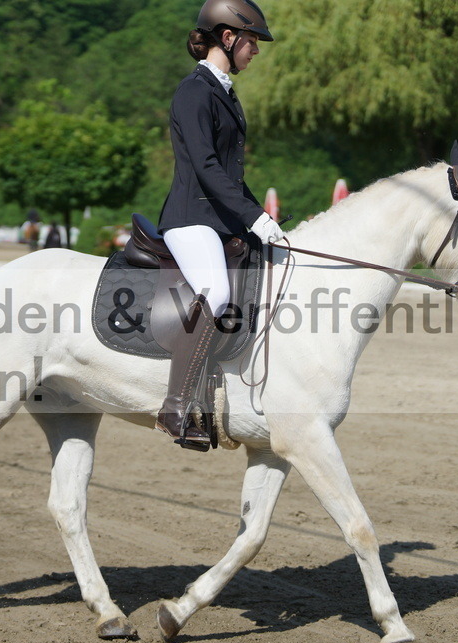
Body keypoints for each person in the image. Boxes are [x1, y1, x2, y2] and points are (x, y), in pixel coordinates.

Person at [155, 0, 282, 449]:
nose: (257, 50)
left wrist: (263, 222)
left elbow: (232, 178)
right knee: (217, 290)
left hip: (219, 217)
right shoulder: (194, 91)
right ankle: (175, 406)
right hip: (190, 218)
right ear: (227, 38)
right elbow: (207, 168)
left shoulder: (225, 93)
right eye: (253, 41)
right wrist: (253, 216)